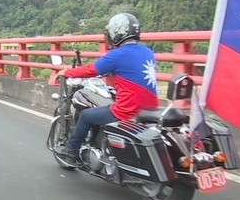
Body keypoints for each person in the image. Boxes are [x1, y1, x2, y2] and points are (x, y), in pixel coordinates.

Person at [54, 13, 160, 162]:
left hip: (128, 110)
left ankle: (71, 151)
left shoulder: (117, 55)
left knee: (86, 115)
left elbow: (92, 70)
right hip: (152, 110)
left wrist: (67, 72)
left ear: (116, 33)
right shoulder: (148, 52)